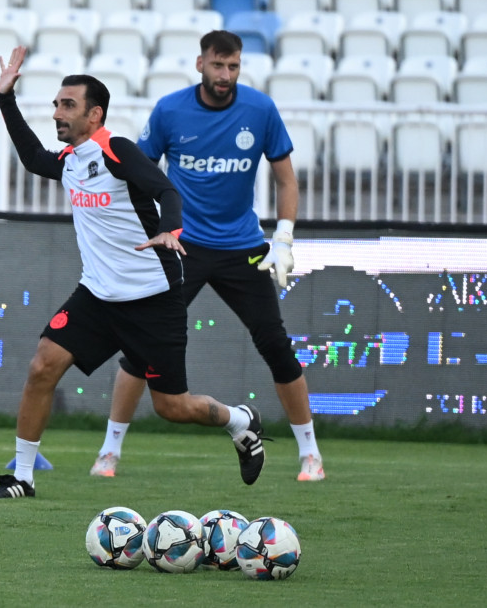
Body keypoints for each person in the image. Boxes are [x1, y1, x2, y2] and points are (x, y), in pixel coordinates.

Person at [0, 46, 268, 499]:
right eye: (56, 103)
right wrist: (5, 98)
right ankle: (22, 477)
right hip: (97, 296)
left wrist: (170, 228)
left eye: (67, 105)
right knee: (42, 366)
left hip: (152, 297)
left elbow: (165, 188)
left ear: (95, 114)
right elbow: (34, 158)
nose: (57, 112)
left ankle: (240, 421)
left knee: (172, 407)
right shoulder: (71, 160)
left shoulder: (116, 149)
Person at [89, 30, 325, 482]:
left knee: (275, 344)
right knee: (142, 346)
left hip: (242, 247)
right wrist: (145, 230)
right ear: (201, 64)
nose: (225, 75)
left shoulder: (260, 109)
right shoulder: (170, 110)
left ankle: (310, 454)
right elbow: (136, 174)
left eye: (233, 67)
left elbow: (286, 180)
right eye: (218, 66)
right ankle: (109, 452)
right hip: (183, 247)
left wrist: (285, 240)